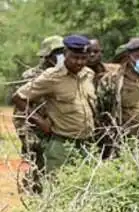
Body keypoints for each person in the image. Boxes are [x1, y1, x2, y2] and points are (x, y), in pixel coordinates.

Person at [13, 35, 94, 186]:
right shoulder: (50, 77)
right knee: (55, 184)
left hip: (85, 142)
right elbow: (19, 101)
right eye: (75, 57)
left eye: (83, 58)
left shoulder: (87, 74)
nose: (79, 62)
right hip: (59, 140)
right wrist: (40, 125)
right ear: (66, 54)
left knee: (84, 185)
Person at [11, 35, 64, 193]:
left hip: (59, 131)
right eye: (57, 52)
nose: (61, 55)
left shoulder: (65, 73)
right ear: (47, 56)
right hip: (38, 132)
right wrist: (28, 138)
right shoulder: (32, 77)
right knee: (38, 169)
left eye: (63, 51)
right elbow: (20, 112)